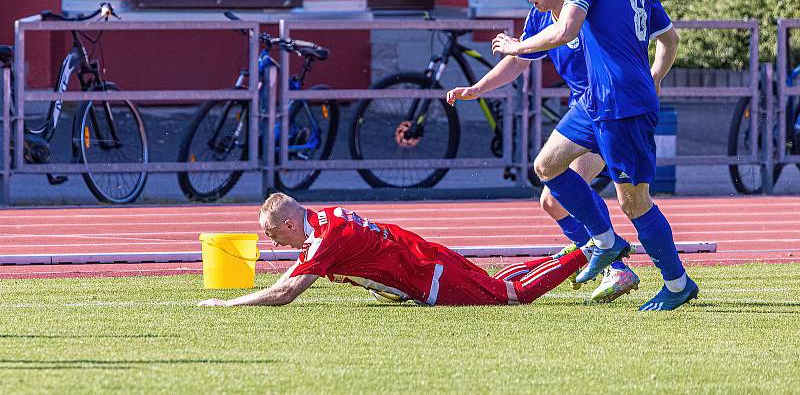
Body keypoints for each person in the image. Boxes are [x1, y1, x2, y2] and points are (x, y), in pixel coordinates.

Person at [491, 0, 697, 311]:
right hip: (599, 100)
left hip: (621, 103)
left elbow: (566, 29)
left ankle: (677, 284)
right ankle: (606, 244)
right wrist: (654, 76)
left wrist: (517, 46)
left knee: (634, 201)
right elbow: (669, 40)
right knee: (547, 167)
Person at [446, 0, 641, 304]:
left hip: (610, 108)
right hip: (583, 109)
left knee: (570, 188)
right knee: (552, 202)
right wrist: (478, 88)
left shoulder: (583, 8)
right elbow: (520, 60)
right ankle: (603, 255)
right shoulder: (540, 17)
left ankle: (614, 260)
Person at [198, 193, 589, 307]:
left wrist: (229, 305)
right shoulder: (325, 216)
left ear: (288, 224)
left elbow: (285, 292)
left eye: (272, 233)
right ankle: (576, 251)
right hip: (423, 253)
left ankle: (586, 254)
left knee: (509, 296)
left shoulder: (323, 240)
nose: (271, 241)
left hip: (425, 275)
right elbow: (305, 265)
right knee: (494, 284)